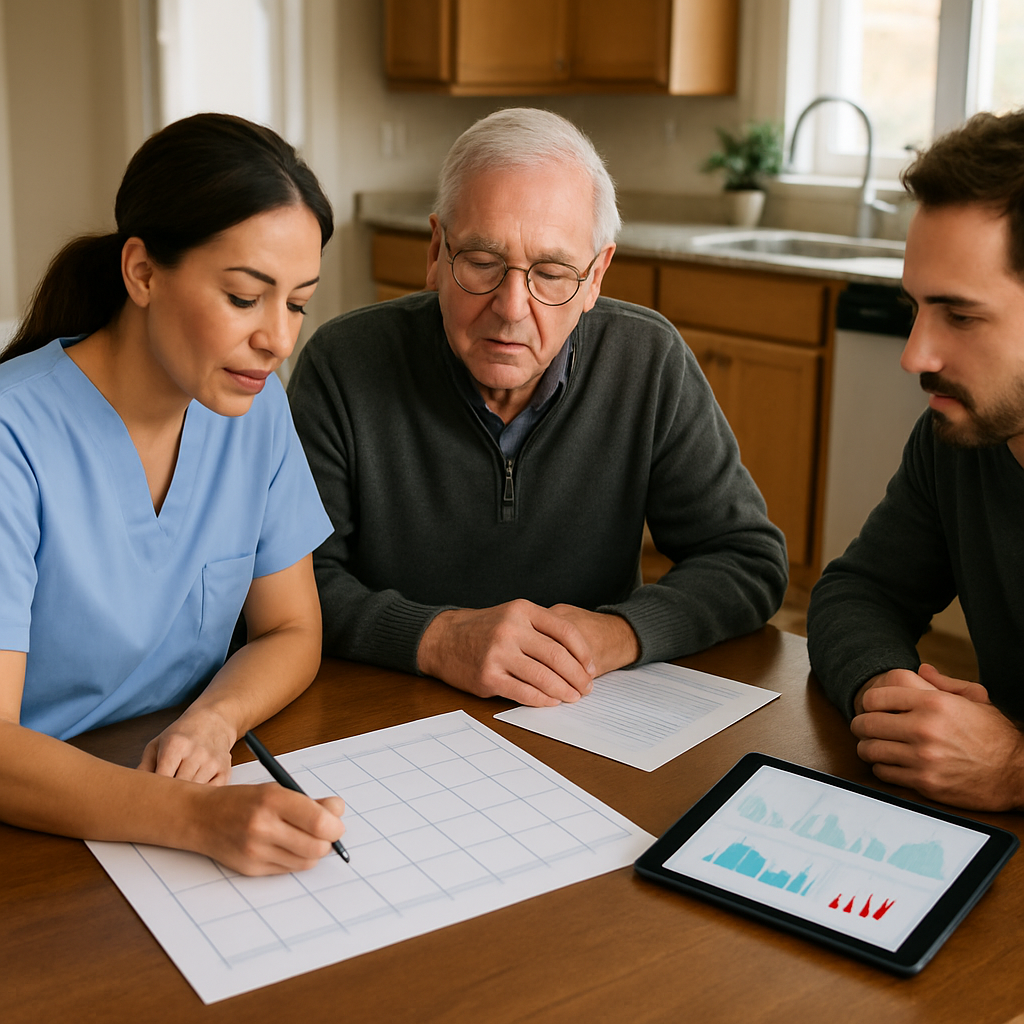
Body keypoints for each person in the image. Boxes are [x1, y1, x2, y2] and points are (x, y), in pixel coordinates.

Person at [287, 107, 788, 707]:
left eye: (552, 273)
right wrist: (437, 639)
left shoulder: (648, 360)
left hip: (583, 711)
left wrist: (617, 633)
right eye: (481, 263)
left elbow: (747, 560)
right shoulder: (341, 365)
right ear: (436, 251)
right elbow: (291, 585)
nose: (512, 307)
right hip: (386, 704)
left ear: (597, 275)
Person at [0, 113, 346, 874]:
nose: (279, 340)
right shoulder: (12, 436)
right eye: (245, 296)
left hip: (168, 789)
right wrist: (194, 819)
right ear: (144, 273)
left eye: (296, 304)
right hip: (37, 839)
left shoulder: (255, 410)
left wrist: (213, 722)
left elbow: (291, 629)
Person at [807, 109, 1024, 812]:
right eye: (916, 308)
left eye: (959, 316)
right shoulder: (956, 441)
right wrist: (888, 693)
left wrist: (1015, 768)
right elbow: (859, 594)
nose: (914, 356)